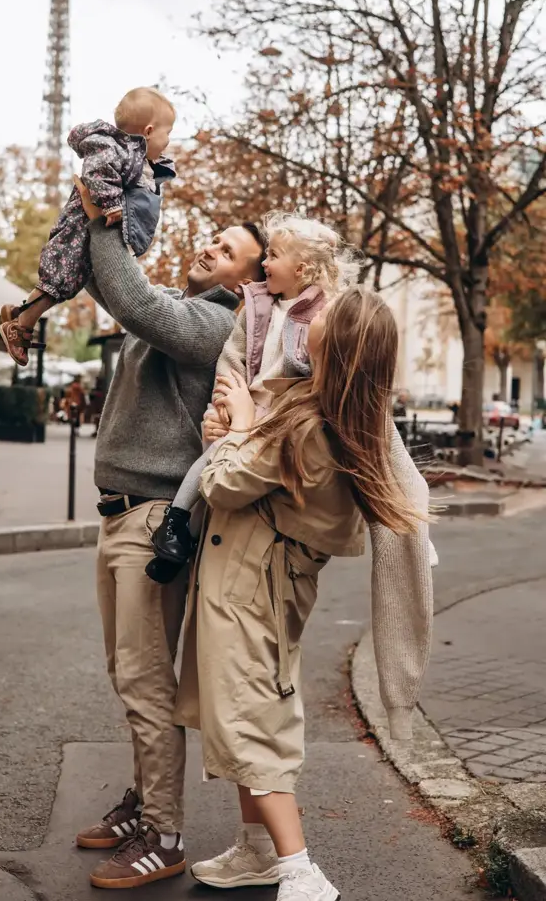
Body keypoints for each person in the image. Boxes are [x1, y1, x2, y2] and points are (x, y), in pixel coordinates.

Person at [175, 287, 433, 899]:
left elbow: (227, 483)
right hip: (249, 579)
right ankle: (258, 851)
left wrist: (237, 425)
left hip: (250, 586)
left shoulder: (315, 425)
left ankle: (300, 872)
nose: (311, 319)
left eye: (326, 318)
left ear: (336, 346)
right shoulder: (325, 409)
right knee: (237, 709)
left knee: (253, 719)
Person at [71, 178, 267, 889]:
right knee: (130, 674)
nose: (211, 248)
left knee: (147, 681)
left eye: (230, 251)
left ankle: (164, 831)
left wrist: (105, 219)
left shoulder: (216, 326)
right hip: (119, 511)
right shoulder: (184, 312)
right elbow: (125, 296)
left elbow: (131, 298)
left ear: (247, 284)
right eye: (213, 239)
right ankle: (141, 806)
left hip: (155, 517)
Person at [147, 212, 357, 584]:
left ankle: (182, 528)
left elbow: (322, 377)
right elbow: (232, 357)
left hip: (281, 418)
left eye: (273, 256)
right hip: (244, 406)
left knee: (231, 476)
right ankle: (177, 525)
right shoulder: (257, 306)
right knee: (211, 460)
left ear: (301, 269)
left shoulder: (324, 316)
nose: (264, 264)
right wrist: (222, 404)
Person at [0, 87, 176, 366]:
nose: (169, 141)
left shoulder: (134, 156)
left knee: (66, 279)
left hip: (87, 227)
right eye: (168, 133)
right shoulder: (113, 148)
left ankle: (20, 313)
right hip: (80, 226)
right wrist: (112, 204)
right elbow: (98, 172)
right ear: (149, 130)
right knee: (62, 280)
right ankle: (21, 325)